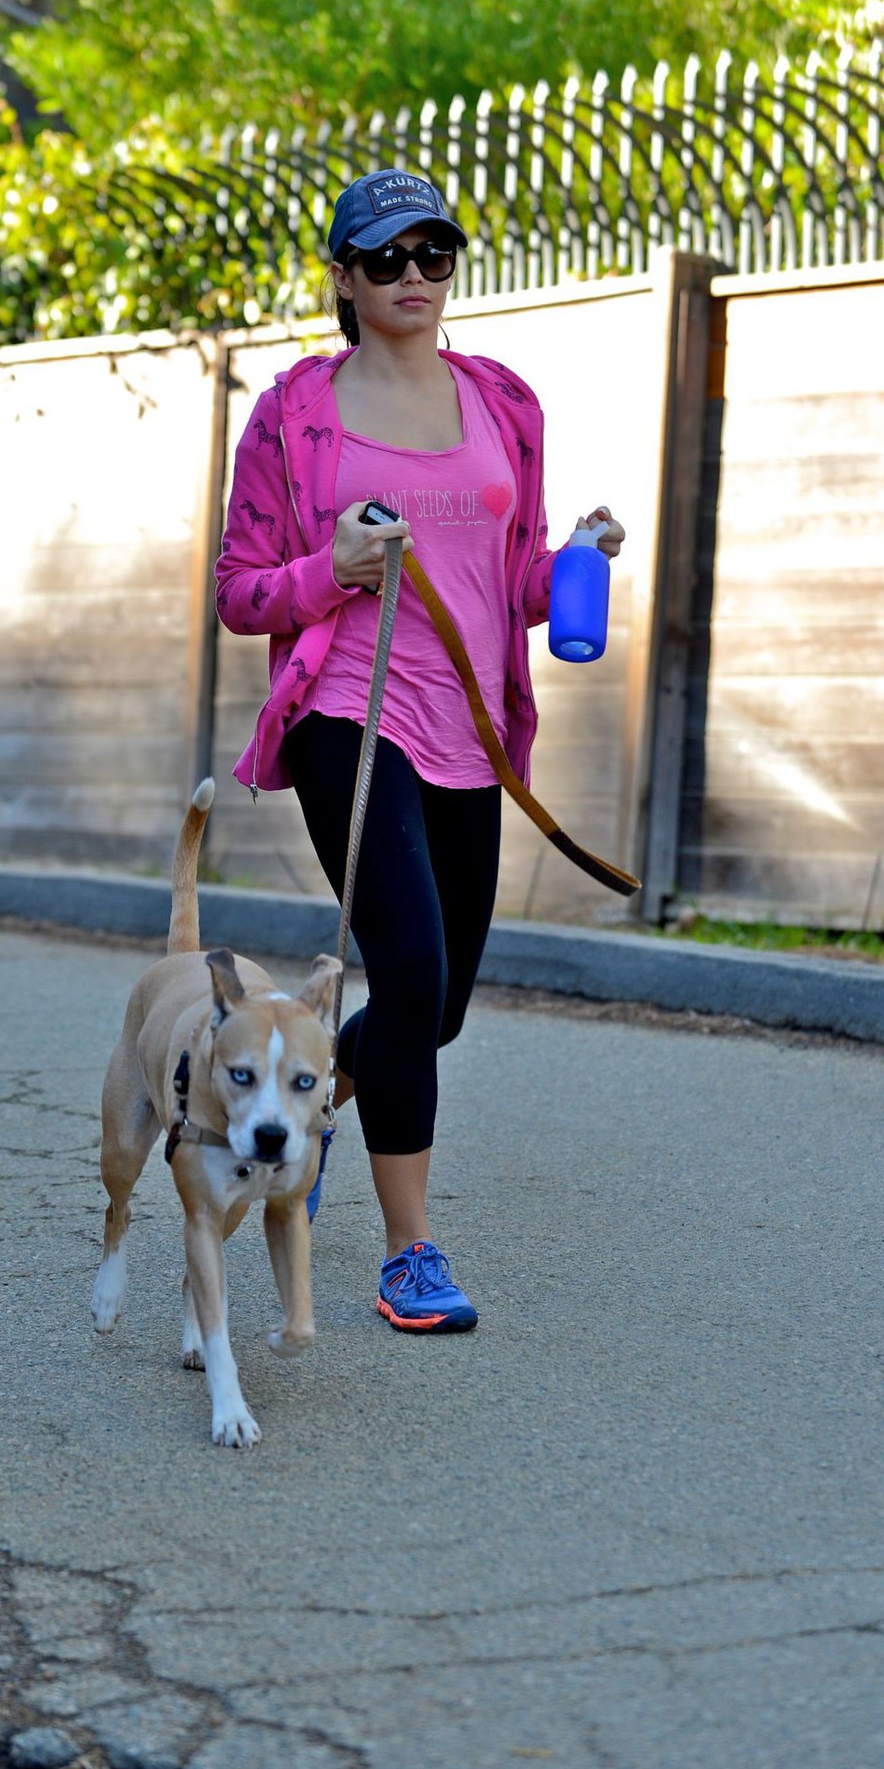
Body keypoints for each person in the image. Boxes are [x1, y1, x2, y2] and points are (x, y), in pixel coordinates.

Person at [214, 168, 625, 1334]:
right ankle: (410, 1258)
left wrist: (579, 562)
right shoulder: (297, 413)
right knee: (416, 976)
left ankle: (309, 1090)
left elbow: (513, 583)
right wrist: (330, 569)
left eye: (433, 254)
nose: (412, 278)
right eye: (384, 258)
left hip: (472, 733)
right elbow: (241, 593)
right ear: (342, 276)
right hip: (350, 713)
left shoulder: (503, 402)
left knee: (431, 1015)